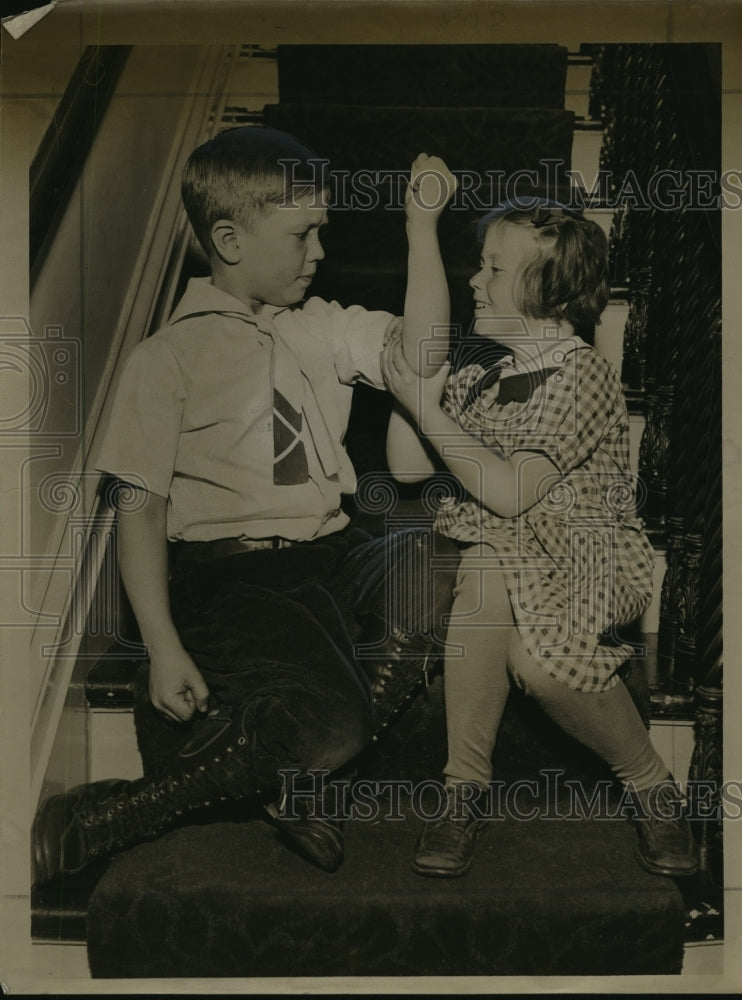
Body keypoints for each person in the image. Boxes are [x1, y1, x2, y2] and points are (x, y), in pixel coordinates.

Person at [31, 127, 459, 884]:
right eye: (302, 234)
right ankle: (117, 812)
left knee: (446, 555)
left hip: (329, 555)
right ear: (229, 240)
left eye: (322, 230)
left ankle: (286, 773)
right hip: (231, 580)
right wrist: (162, 646)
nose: (320, 250)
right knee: (335, 723)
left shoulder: (317, 327)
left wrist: (421, 232)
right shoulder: (165, 358)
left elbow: (421, 356)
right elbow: (140, 508)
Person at [382, 189, 699, 879]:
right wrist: (419, 381)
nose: (475, 279)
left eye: (494, 269)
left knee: (537, 662)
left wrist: (419, 404)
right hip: (506, 548)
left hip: (589, 555)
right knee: (488, 563)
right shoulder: (480, 371)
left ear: (551, 294)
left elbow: (509, 490)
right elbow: (407, 467)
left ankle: (650, 782)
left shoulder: (582, 373)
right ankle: (462, 789)